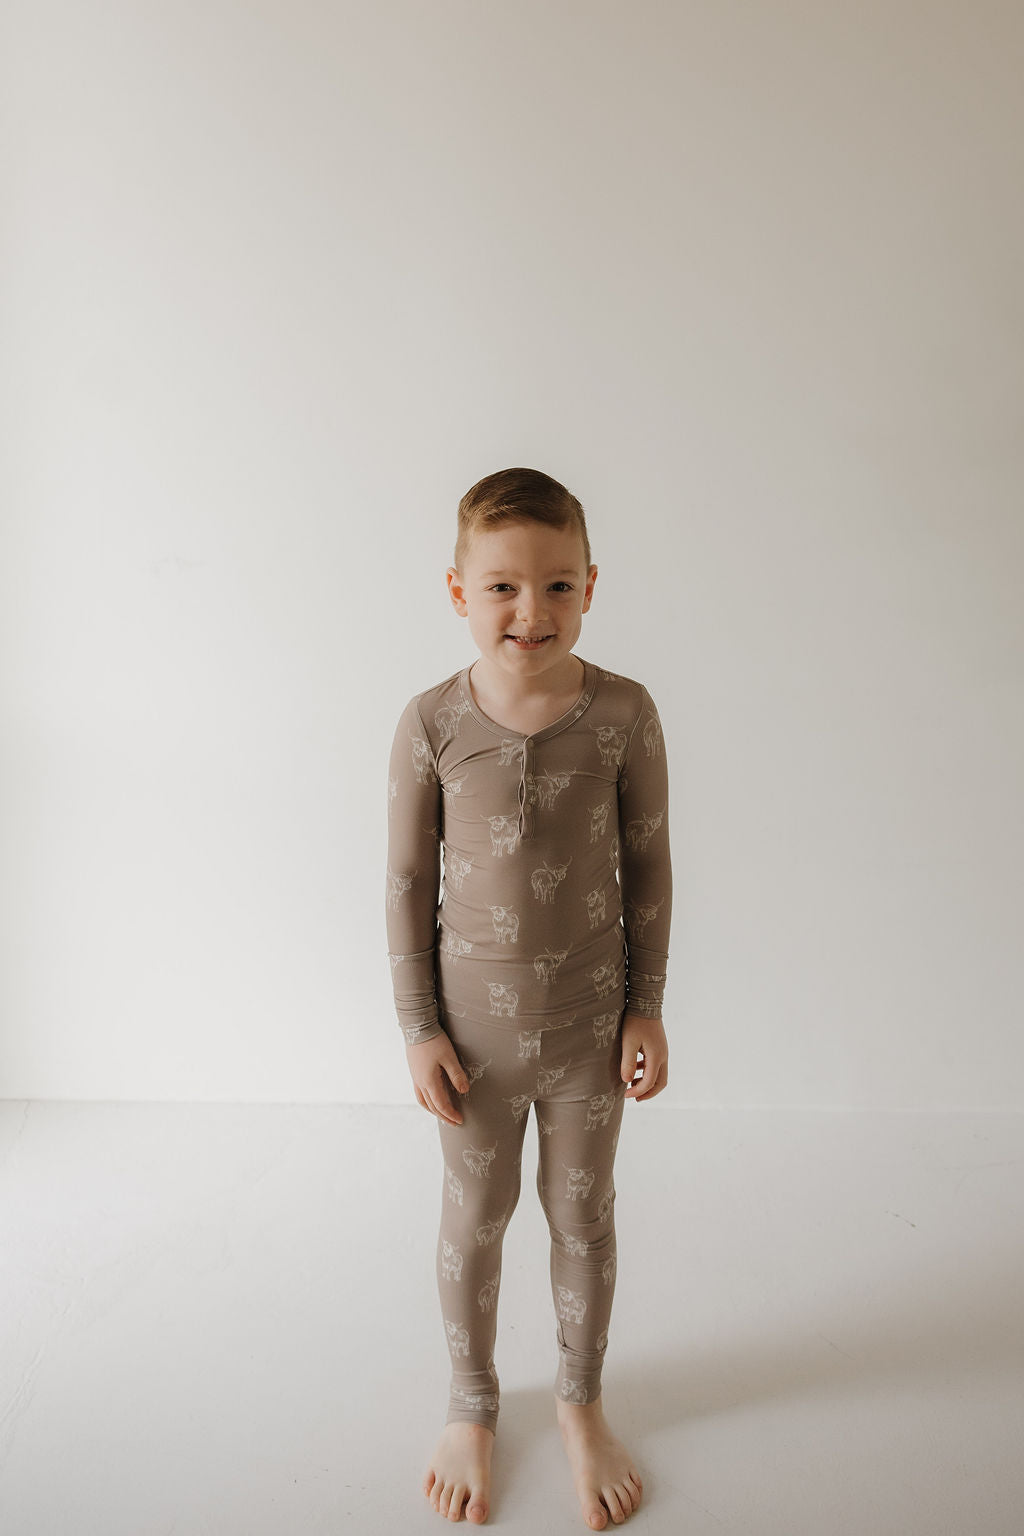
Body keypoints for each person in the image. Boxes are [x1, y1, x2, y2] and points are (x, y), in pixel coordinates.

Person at [385, 467, 671, 1529]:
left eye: (557, 586)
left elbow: (648, 870)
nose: (531, 611)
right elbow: (407, 885)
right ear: (458, 592)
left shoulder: (624, 716)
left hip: (590, 1035)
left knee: (582, 1218)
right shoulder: (428, 724)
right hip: (475, 1044)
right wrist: (418, 1031)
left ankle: (580, 1401)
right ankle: (471, 1405)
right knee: (476, 1220)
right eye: (503, 587)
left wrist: (645, 1007)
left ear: (589, 585)